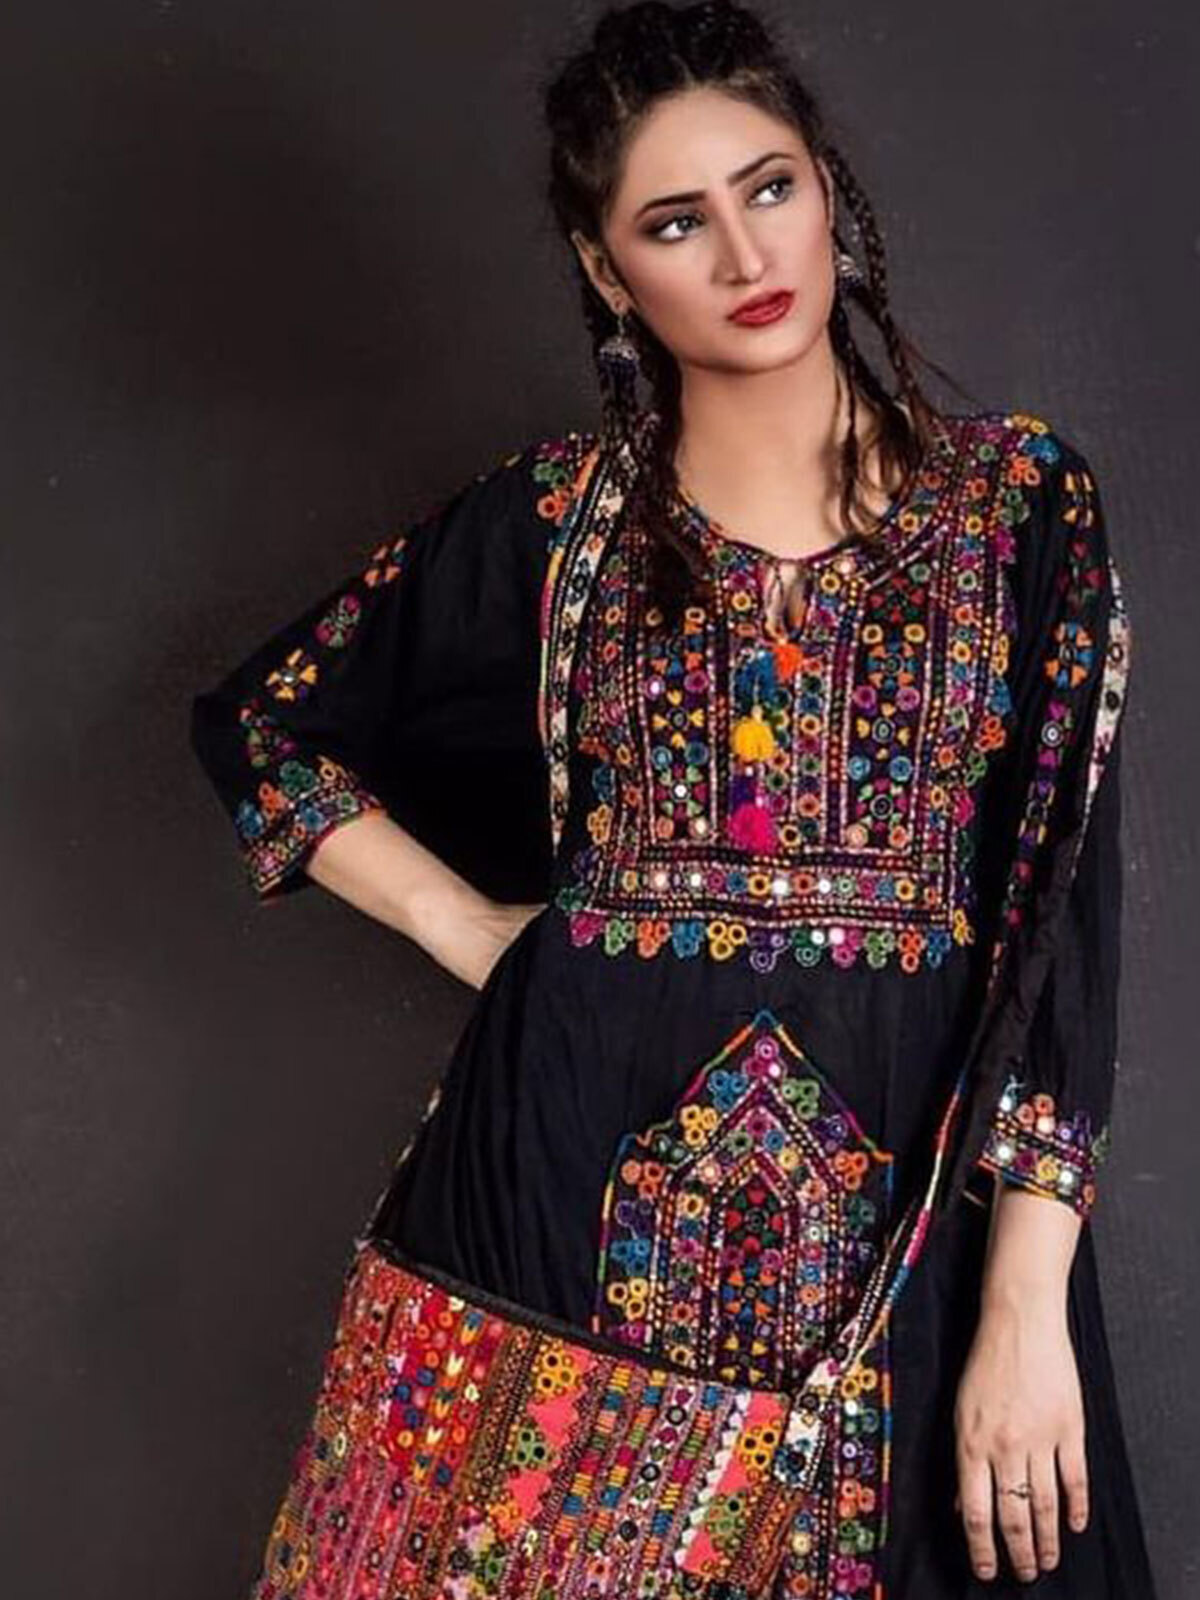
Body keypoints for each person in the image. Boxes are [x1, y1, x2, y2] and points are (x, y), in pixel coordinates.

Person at [188, 2, 1158, 1595]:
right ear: (603, 265)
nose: (744, 253)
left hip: (921, 1245)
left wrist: (1024, 1303)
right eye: (674, 221)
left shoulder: (1018, 509)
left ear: (828, 188)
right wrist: (468, 926)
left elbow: (1061, 922)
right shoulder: (555, 528)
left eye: (769, 188)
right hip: (566, 1230)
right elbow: (262, 727)